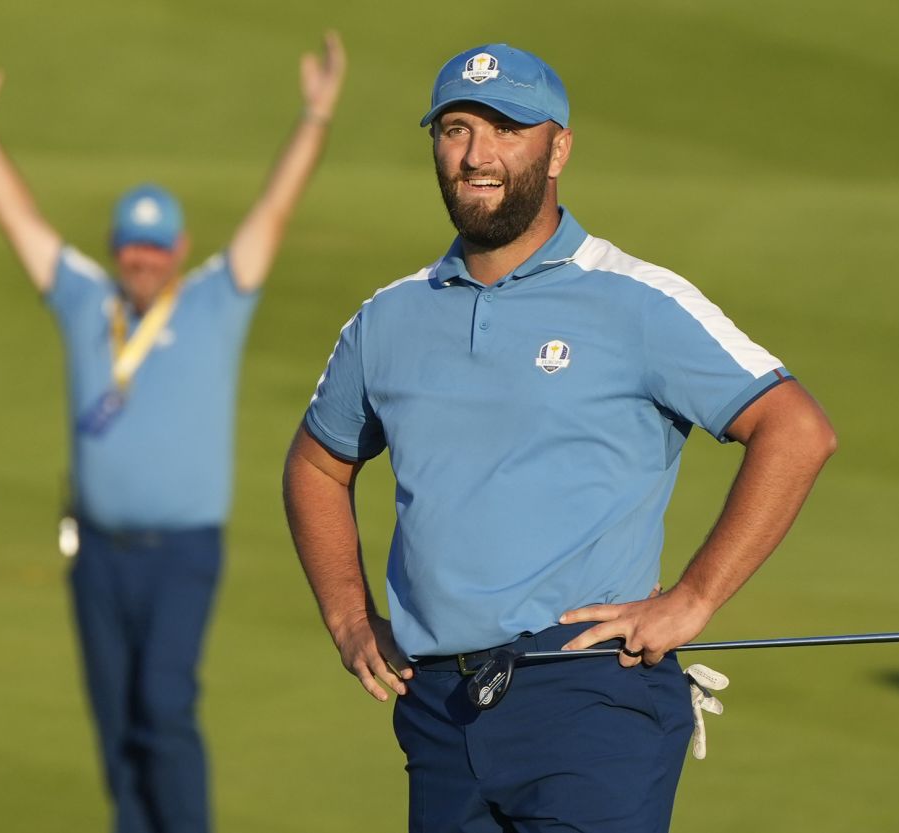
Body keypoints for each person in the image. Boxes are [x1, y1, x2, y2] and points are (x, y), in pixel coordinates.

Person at [283, 43, 836, 832]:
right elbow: (314, 464)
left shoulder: (635, 299)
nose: (476, 155)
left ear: (558, 148)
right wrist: (346, 615)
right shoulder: (387, 319)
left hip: (590, 701)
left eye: (506, 128)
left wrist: (693, 598)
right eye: (456, 129)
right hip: (439, 711)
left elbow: (796, 428)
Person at [0, 33, 346, 833]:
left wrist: (316, 114)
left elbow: (275, 210)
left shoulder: (215, 299)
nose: (144, 258)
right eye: (132, 243)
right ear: (118, 247)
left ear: (179, 249)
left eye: (157, 245)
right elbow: (19, 219)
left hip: (183, 549)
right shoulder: (87, 301)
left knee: (163, 704)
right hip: (96, 553)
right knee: (118, 729)